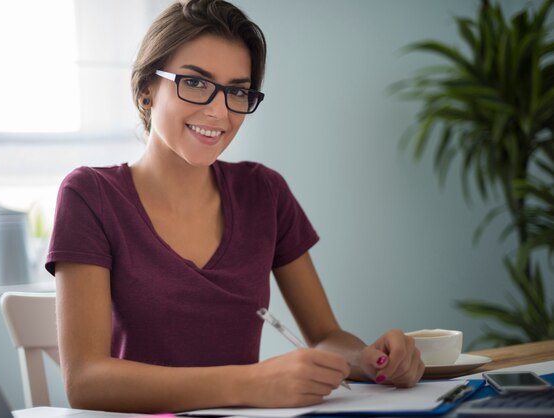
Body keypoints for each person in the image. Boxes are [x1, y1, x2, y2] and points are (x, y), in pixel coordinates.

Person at [46, 0, 424, 413]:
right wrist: (251, 382)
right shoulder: (90, 195)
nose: (218, 110)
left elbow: (324, 335)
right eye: (194, 83)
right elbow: (85, 382)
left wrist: (371, 360)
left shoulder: (264, 192)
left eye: (238, 91)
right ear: (146, 90)